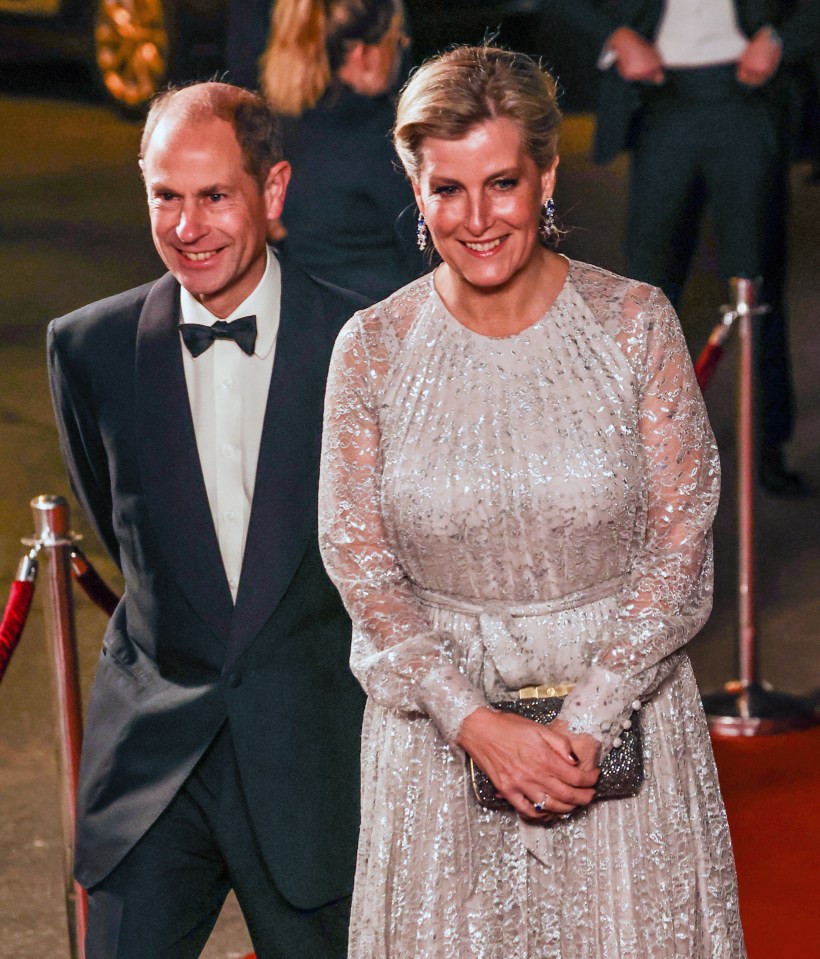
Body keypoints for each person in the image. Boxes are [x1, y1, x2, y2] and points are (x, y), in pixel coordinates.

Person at [318, 46, 745, 958]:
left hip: (621, 734)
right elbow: (360, 563)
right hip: (437, 748)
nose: (476, 219)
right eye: (446, 189)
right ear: (415, 184)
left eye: (502, 182)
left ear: (546, 175)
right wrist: (474, 722)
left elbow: (680, 543)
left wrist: (586, 719)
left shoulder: (635, 322)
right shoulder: (373, 349)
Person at [47, 81, 367, 959]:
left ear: (272, 191)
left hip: (312, 761)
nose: (188, 228)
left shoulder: (360, 343)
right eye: (165, 196)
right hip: (153, 764)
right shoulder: (89, 349)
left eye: (215, 195)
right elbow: (128, 538)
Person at [537, 0, 820, 496]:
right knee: (647, 289)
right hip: (660, 102)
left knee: (757, 287)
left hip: (747, 100)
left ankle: (767, 449)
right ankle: (644, 452)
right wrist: (616, 34)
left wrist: (780, 39)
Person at [260, 0, 426, 300]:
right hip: (382, 323)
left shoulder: (279, 128)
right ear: (363, 54)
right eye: (396, 40)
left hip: (305, 316)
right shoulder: (384, 136)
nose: (402, 51)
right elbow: (426, 253)